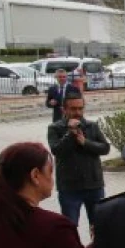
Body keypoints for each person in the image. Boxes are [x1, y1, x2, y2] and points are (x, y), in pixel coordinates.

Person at [46, 88, 110, 227]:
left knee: (99, 226)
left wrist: (85, 143)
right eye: (73, 109)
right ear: (64, 109)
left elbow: (105, 148)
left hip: (94, 185)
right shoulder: (55, 128)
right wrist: (70, 134)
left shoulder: (91, 126)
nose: (78, 113)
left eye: (81, 108)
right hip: (69, 187)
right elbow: (56, 150)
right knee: (70, 227)